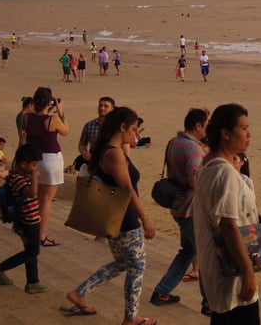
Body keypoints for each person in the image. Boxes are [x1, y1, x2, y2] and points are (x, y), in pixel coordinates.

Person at [63, 106, 157, 325]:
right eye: (133, 129)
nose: (136, 134)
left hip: (117, 214)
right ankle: (130, 318)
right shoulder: (113, 153)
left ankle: (80, 292)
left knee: (124, 262)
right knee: (137, 265)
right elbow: (126, 188)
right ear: (122, 127)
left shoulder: (109, 148)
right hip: (123, 215)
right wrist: (145, 218)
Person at [194, 103, 261, 324]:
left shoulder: (211, 165)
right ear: (225, 133)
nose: (249, 134)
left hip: (220, 268)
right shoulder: (223, 172)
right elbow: (228, 226)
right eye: (243, 128)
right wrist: (247, 271)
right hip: (231, 272)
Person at [151, 108, 209, 312]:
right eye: (206, 124)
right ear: (198, 126)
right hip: (191, 208)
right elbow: (194, 180)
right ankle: (209, 304)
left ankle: (162, 291)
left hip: (179, 206)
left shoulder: (174, 142)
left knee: (189, 251)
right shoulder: (192, 148)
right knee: (207, 255)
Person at [0, 144, 51, 294]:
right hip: (27, 221)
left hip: (29, 219)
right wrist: (35, 177)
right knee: (32, 252)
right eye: (34, 164)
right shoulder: (17, 178)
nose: (35, 167)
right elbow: (32, 194)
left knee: (31, 250)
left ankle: (33, 282)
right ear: (24, 164)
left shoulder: (18, 176)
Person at [24, 86, 69, 246]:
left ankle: (28, 229)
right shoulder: (51, 119)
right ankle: (41, 236)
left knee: (34, 196)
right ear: (49, 101)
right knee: (46, 199)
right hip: (51, 159)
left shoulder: (27, 117)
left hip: (34, 160)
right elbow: (66, 131)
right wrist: (60, 110)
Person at [75, 97, 115, 172]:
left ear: (112, 109)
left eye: (106, 106)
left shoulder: (116, 126)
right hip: (93, 162)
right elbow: (82, 144)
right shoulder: (89, 125)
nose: (102, 108)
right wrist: (84, 153)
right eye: (100, 105)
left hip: (111, 162)